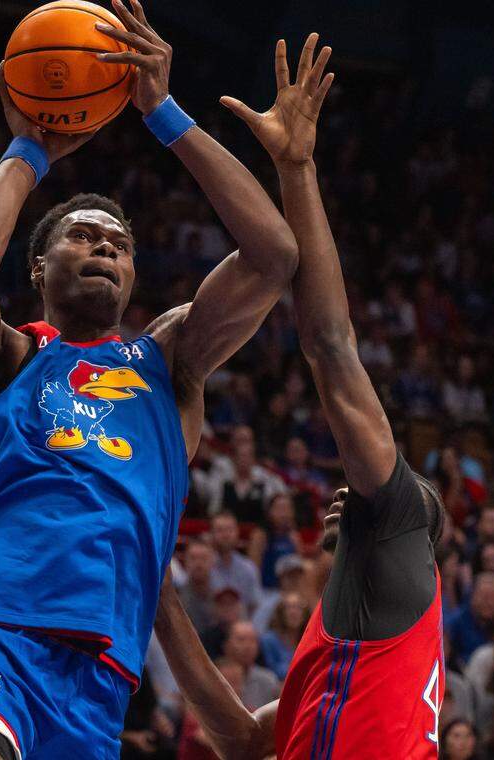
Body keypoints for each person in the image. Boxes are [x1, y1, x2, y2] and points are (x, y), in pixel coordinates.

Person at [0, 3, 301, 757]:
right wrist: (30, 149)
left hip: (101, 668)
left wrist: (164, 114)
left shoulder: (168, 361)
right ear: (38, 267)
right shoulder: (6, 356)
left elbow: (274, 255)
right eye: (82, 236)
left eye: (118, 244)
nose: (104, 248)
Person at [154, 34, 449, 758]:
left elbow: (331, 347)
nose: (349, 491)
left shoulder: (397, 553)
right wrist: (154, 585)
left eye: (379, 490)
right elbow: (241, 738)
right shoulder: (358, 637)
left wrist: (297, 170)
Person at [208, 512, 263, 613]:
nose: (225, 535)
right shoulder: (204, 567)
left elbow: (255, 606)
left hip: (243, 621)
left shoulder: (248, 568)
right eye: (220, 530)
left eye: (229, 530)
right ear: (211, 534)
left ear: (237, 532)